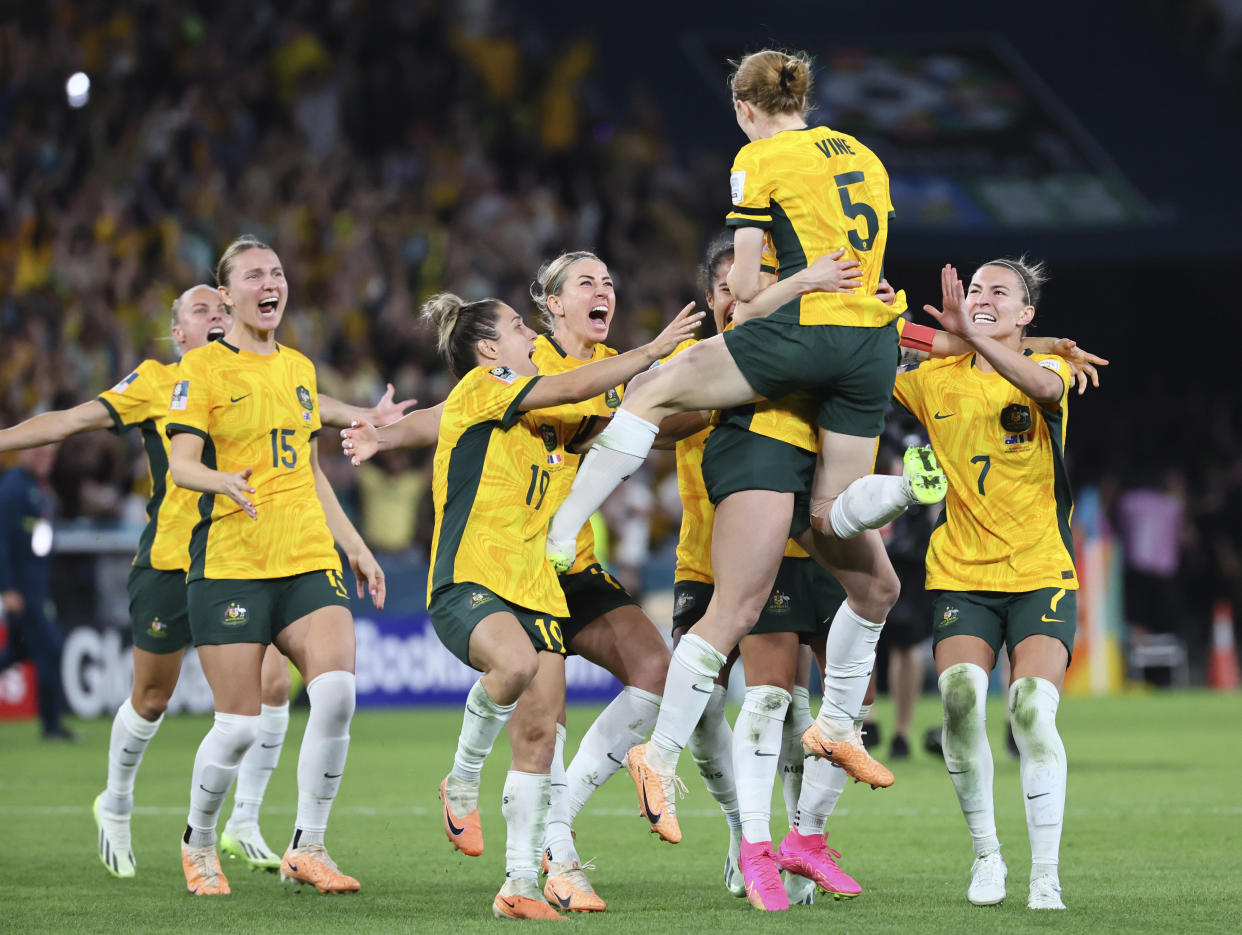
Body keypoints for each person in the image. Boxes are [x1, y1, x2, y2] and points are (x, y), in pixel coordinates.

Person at [544, 50, 948, 847]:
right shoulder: (863, 156)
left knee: (651, 391)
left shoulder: (758, 158)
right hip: (871, 346)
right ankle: (841, 714)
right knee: (851, 540)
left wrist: (797, 285)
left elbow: (754, 292)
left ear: (742, 106)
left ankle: (565, 529)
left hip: (802, 344)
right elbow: (869, 280)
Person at [0, 284, 411, 878]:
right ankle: (115, 801)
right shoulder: (157, 383)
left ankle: (244, 821)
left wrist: (366, 419)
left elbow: (311, 423)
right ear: (178, 333)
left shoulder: (262, 375)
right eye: (201, 310)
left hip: (245, 560)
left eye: (221, 308)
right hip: (172, 563)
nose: (215, 316)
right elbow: (70, 420)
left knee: (273, 687)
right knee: (152, 697)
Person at [413, 291, 701, 920]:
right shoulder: (486, 382)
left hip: (540, 584)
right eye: (517, 327)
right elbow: (571, 386)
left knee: (540, 738)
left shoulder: (543, 419)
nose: (526, 336)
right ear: (490, 349)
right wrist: (650, 353)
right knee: (514, 666)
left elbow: (631, 430)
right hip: (473, 577)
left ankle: (518, 884)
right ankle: (461, 777)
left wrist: (721, 396)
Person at [166, 236, 385, 896]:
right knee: (235, 727)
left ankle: (308, 846)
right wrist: (218, 480)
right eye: (254, 274)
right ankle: (199, 839)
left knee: (338, 691)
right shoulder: (201, 370)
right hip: (231, 560)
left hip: (306, 555)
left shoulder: (299, 367)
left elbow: (312, 469)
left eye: (278, 272)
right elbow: (180, 462)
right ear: (226, 295)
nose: (272, 282)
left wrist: (354, 543)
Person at [666, 236, 863, 911]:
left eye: (752, 281)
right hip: (747, 556)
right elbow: (660, 418)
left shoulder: (815, 333)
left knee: (838, 713)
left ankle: (804, 837)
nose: (738, 295)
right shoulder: (707, 361)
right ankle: (749, 840)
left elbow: (913, 347)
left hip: (828, 539)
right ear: (715, 296)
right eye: (726, 285)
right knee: (772, 702)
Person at [895, 259, 1078, 911]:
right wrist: (904, 320)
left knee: (1030, 709)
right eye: (973, 290)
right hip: (960, 575)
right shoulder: (929, 379)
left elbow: (1043, 384)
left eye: (1000, 292)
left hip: (1039, 573)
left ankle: (1046, 873)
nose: (982, 298)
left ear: (1027, 314)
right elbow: (878, 336)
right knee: (963, 701)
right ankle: (987, 855)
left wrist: (977, 338)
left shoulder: (1048, 374)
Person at [0, 443, 72, 741]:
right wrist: (8, 588)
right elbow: (2, 541)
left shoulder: (39, 487)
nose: (48, 461)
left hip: (37, 584)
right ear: (25, 452)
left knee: (19, 651)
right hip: (24, 590)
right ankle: (51, 726)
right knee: (50, 648)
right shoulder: (14, 487)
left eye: (52, 455)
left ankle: (52, 724)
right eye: (41, 454)